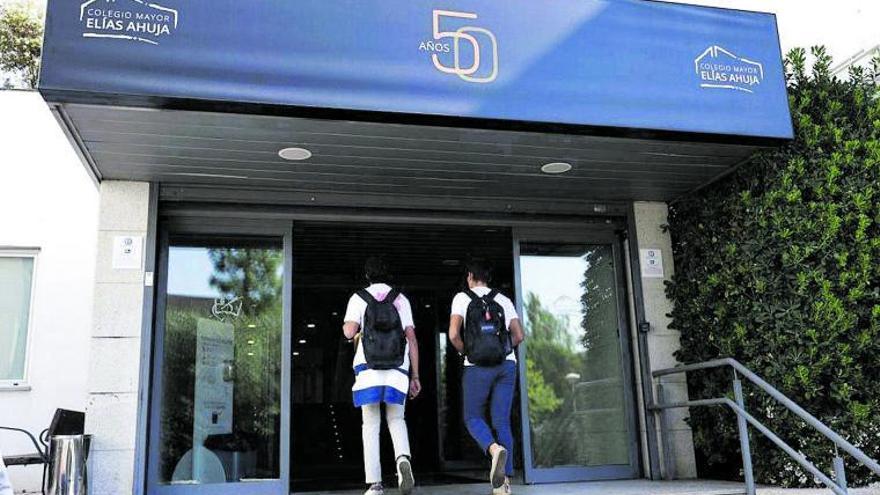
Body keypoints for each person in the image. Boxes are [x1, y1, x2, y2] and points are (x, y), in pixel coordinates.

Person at [343, 256, 420, 495]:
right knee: (397, 419)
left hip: (368, 370)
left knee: (371, 425)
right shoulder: (401, 299)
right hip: (398, 368)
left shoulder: (358, 298)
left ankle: (375, 484)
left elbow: (348, 332)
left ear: (367, 275)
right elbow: (412, 339)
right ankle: (402, 460)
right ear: (389, 276)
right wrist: (415, 376)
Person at [448, 257, 525, 495]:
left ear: (469, 276)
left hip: (476, 366)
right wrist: (503, 350)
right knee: (501, 420)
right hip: (506, 365)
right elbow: (519, 335)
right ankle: (504, 484)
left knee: (472, 417)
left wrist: (467, 352)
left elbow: (452, 335)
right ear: (488, 278)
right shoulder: (502, 299)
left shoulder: (462, 298)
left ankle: (493, 450)